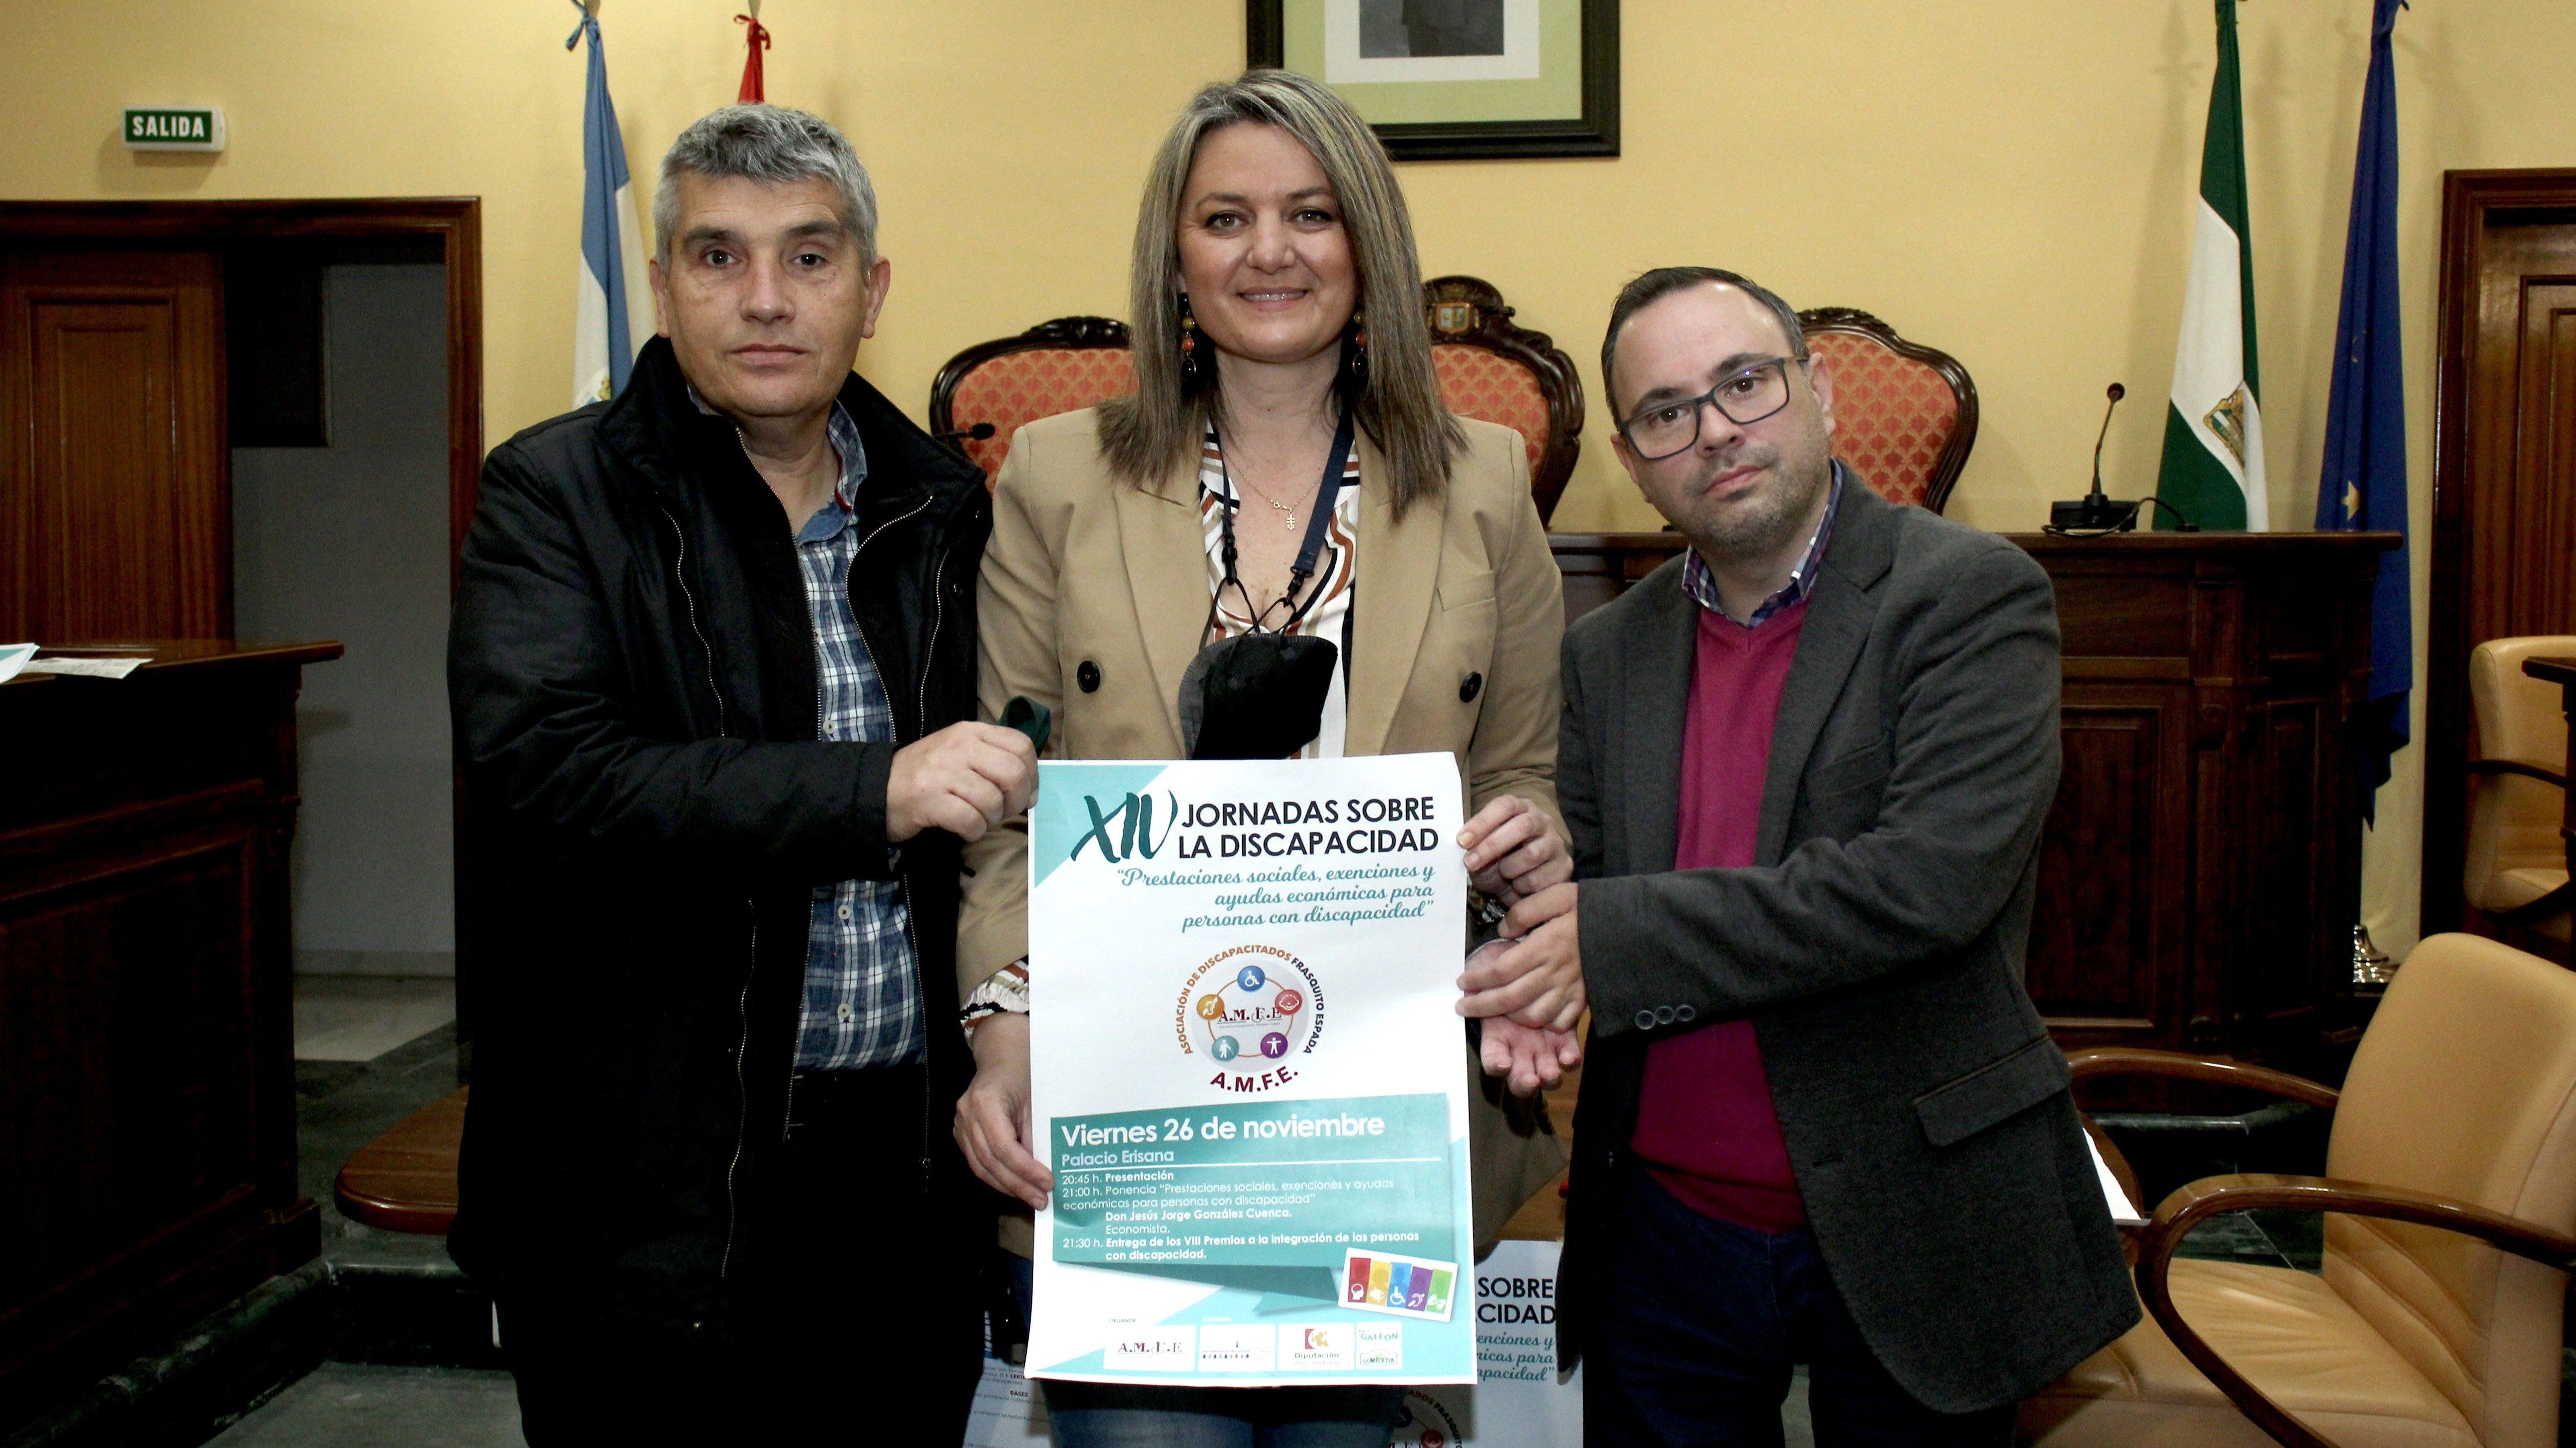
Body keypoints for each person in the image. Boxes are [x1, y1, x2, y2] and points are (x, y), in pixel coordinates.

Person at [951, 70, 1577, 1448]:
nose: (1271, 251)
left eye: (1309, 213)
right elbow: (1009, 810)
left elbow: (1526, 775)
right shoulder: (1057, 476)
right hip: (1139, 1117)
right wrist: (1005, 1038)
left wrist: (1529, 873)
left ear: (1369, 244)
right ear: (1174, 255)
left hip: (1380, 1124)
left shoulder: (1482, 476)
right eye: (1225, 217)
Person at [1459, 268, 2137, 1445]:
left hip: (1912, 1212)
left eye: (1745, 383)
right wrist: (1527, 980)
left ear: (1817, 390)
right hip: (1660, 1235)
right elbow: (1579, 895)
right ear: (1634, 459)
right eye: (1667, 411)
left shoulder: (1971, 596)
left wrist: (1597, 939)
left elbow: (1925, 887)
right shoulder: (1607, 649)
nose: (1715, 429)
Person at [447, 104, 1032, 1445]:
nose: (765, 299)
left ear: (872, 290)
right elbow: (551, 774)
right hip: (648, 1204)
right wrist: (871, 791)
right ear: (661, 286)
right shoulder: (558, 496)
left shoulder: (943, 511)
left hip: (903, 1188)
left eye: (810, 258)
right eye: (718, 257)